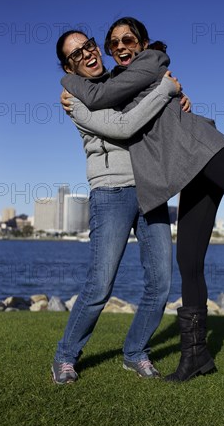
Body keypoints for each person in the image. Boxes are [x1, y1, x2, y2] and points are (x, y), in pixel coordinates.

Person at [61, 17, 224, 383]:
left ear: (143, 42)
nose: (121, 47)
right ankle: (196, 357)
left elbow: (104, 100)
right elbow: (108, 101)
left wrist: (70, 82)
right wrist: (166, 93)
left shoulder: (150, 62)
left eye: (128, 39)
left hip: (203, 151)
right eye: (114, 44)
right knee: (189, 261)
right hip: (184, 171)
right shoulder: (116, 82)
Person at [52, 30, 185, 384]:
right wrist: (165, 90)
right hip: (111, 192)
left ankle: (135, 352)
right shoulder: (73, 98)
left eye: (89, 46)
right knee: (100, 285)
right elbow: (124, 127)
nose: (88, 54)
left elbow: (156, 109)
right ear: (69, 66)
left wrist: (179, 97)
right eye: (76, 54)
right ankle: (65, 356)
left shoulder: (123, 80)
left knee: (161, 282)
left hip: (150, 187)